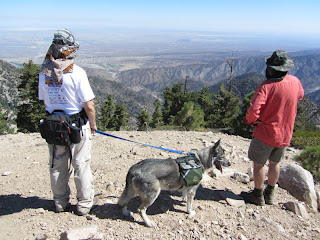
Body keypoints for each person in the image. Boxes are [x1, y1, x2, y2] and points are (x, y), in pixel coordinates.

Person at [38, 29, 98, 215]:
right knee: (81, 164)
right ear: (68, 50)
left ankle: (60, 203)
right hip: (76, 125)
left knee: (57, 165)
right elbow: (89, 105)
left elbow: (44, 100)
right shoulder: (77, 72)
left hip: (54, 125)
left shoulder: (44, 72)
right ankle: (84, 204)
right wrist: (93, 124)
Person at [241, 50, 304, 206]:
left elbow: (253, 110)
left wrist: (252, 121)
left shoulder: (266, 86)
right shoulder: (295, 81)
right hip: (285, 132)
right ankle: (270, 194)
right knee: (275, 164)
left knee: (258, 165)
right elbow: (300, 95)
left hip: (266, 132)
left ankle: (257, 195)